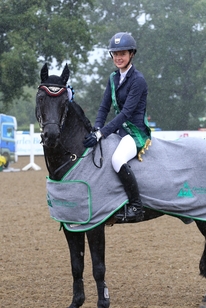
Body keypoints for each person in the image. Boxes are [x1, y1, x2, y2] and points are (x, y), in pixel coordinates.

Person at [83, 32, 151, 222]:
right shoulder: (113, 78)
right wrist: (96, 128)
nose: (118, 57)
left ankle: (136, 206)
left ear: (131, 54)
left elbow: (126, 114)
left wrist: (102, 134)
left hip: (135, 131)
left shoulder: (138, 79)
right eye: (115, 54)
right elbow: (104, 107)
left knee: (117, 159)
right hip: (120, 130)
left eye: (123, 53)